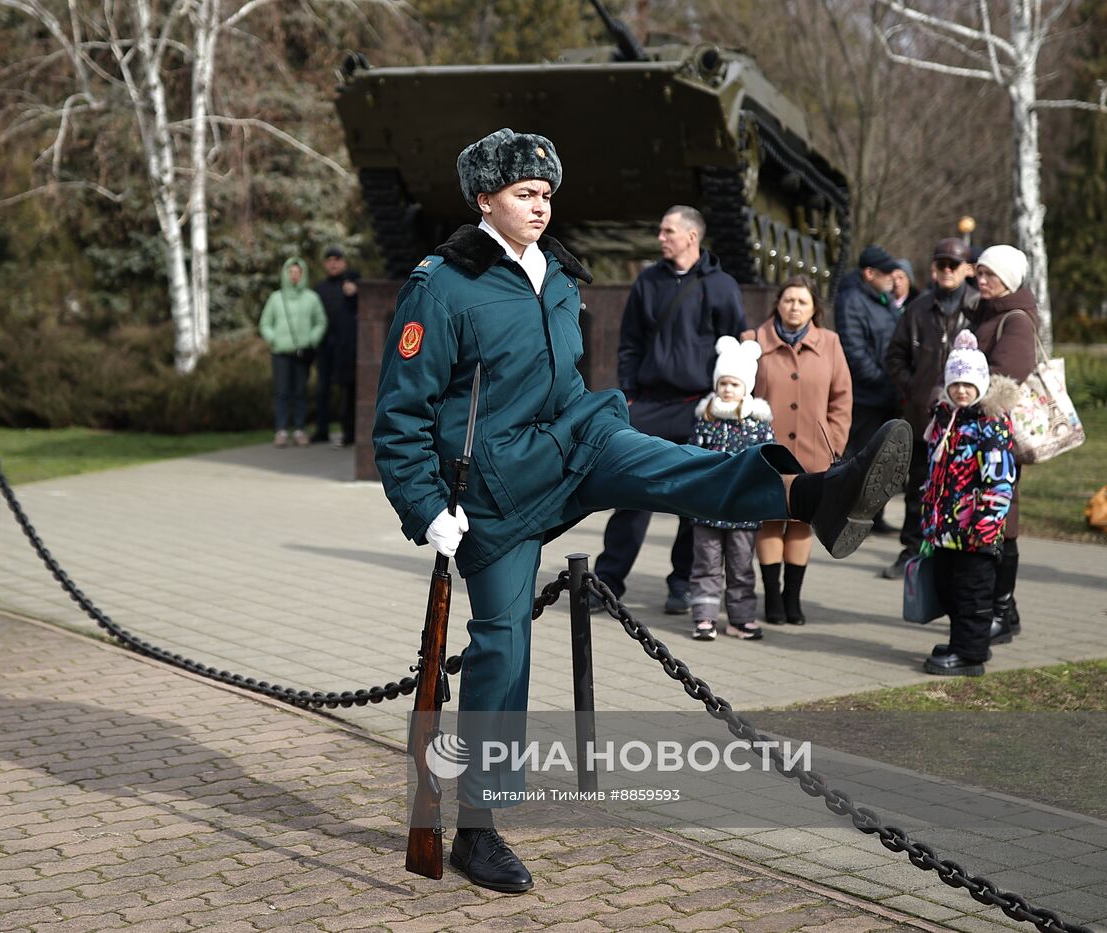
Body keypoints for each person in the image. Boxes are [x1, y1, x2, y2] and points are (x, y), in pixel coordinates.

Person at [373, 127, 911, 894]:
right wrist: (426, 507)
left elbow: (562, 380)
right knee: (503, 647)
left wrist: (590, 428)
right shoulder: (443, 284)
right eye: (525, 193)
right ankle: (478, 828)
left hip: (571, 440)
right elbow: (400, 414)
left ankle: (812, 496)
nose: (540, 206)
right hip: (494, 492)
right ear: (485, 197)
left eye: (547, 193)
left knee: (664, 464)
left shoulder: (558, 277)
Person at [593, 205, 748, 615]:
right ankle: (609, 581)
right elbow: (630, 342)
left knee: (691, 501)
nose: (660, 237)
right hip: (649, 404)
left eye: (667, 231)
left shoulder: (721, 286)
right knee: (630, 494)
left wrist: (728, 402)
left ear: (691, 237)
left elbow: (735, 346)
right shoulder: (648, 281)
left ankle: (682, 584)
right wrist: (627, 392)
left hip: (700, 407)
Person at [744, 277, 852, 625]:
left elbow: (842, 399)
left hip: (814, 451)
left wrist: (833, 441)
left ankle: (794, 599)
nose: (794, 306)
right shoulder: (753, 342)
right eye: (789, 300)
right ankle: (773, 599)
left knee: (803, 524)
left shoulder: (831, 344)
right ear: (777, 303)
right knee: (771, 520)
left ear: (814, 309)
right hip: (767, 451)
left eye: (802, 302)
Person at [920, 331, 1019, 676]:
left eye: (969, 384)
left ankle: (972, 655)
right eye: (956, 383)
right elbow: (935, 472)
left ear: (980, 385)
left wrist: (986, 523)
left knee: (973, 593)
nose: (962, 390)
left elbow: (1000, 479)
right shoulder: (946, 420)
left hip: (975, 531)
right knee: (949, 588)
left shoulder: (988, 425)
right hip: (946, 528)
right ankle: (961, 642)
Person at [883, 238, 980, 578]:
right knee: (918, 487)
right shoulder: (919, 308)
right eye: (941, 264)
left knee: (962, 489)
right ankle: (910, 551)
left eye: (954, 264)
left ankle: (949, 554)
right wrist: (914, 386)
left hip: (968, 419)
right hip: (924, 416)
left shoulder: (979, 308)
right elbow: (894, 355)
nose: (947, 270)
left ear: (968, 269)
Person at [968, 244, 1039, 644]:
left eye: (989, 274)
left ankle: (1000, 609)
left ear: (1008, 279)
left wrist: (960, 395)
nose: (981, 280)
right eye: (979, 272)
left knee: (1002, 520)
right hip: (978, 434)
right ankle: (1003, 610)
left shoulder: (1016, 320)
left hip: (997, 435)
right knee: (989, 519)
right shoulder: (986, 312)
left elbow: (1005, 377)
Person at [687, 337, 774, 641]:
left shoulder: (758, 424)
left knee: (741, 566)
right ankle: (704, 618)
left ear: (746, 387)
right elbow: (692, 459)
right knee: (707, 565)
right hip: (707, 507)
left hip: (743, 509)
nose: (727, 389)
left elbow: (767, 460)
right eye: (723, 383)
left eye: (734, 384)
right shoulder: (705, 421)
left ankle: (740, 617)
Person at [836, 245, 903, 535]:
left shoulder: (883, 299)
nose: (893, 277)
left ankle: (874, 515)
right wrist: (884, 380)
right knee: (859, 456)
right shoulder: (851, 300)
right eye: (887, 272)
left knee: (884, 458)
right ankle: (842, 515)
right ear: (869, 273)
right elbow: (854, 350)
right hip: (866, 396)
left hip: (887, 394)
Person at [258, 257, 327, 447]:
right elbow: (265, 324)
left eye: (298, 273)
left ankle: (299, 430)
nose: (294, 276)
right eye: (291, 272)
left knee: (300, 392)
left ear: (303, 275)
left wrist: (312, 339)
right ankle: (280, 431)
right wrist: (273, 339)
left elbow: (320, 322)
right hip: (280, 352)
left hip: (302, 353)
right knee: (281, 392)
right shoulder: (276, 298)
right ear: (286, 274)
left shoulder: (312, 298)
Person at [310, 246, 361, 447]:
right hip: (325, 346)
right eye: (329, 260)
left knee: (348, 390)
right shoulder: (319, 289)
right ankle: (322, 430)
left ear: (344, 262)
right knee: (323, 389)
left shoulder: (351, 286)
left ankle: (349, 431)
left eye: (337, 259)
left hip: (346, 347)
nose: (333, 263)